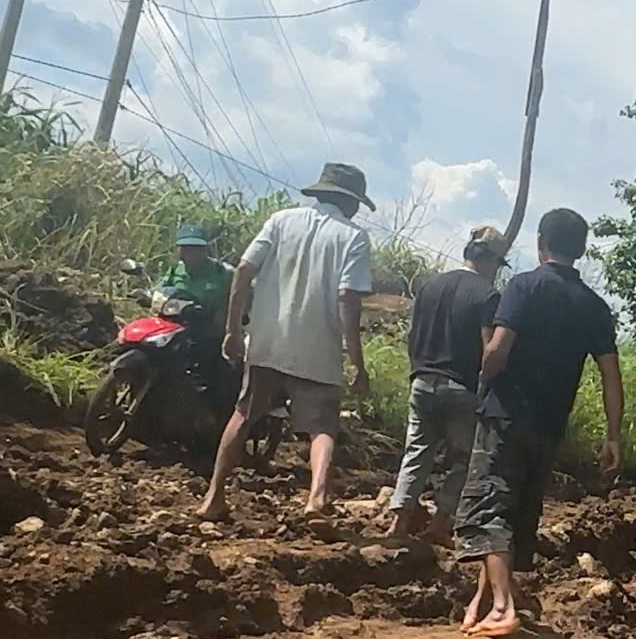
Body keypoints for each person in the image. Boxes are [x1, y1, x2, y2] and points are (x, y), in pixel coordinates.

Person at [455, 207, 624, 638]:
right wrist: (612, 436)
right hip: (549, 427)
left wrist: (483, 377)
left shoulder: (522, 287)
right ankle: (484, 600)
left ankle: (504, 606)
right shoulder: (595, 307)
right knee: (512, 512)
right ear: (581, 250)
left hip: (505, 415)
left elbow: (498, 351)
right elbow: (610, 375)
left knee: (489, 504)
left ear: (540, 244)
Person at [197, 162, 375, 523]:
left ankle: (213, 497)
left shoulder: (280, 221)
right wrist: (357, 360)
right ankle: (316, 499)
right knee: (322, 428)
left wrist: (233, 328)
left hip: (267, 341)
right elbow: (347, 298)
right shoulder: (353, 237)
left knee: (244, 415)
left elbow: (244, 270)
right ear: (351, 203)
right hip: (318, 350)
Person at [384, 225, 506, 542]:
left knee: (415, 452)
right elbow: (488, 348)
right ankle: (439, 526)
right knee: (462, 460)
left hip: (422, 381)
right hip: (461, 389)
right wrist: (487, 389)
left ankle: (398, 522)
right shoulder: (487, 295)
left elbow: (412, 336)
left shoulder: (429, 285)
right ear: (491, 260)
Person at [161, 222, 235, 405]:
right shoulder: (175, 270)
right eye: (186, 249)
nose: (190, 254)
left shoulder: (223, 273)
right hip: (175, 329)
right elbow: (161, 290)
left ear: (205, 250)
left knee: (214, 377)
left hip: (209, 333)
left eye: (196, 248)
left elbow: (246, 293)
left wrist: (228, 313)